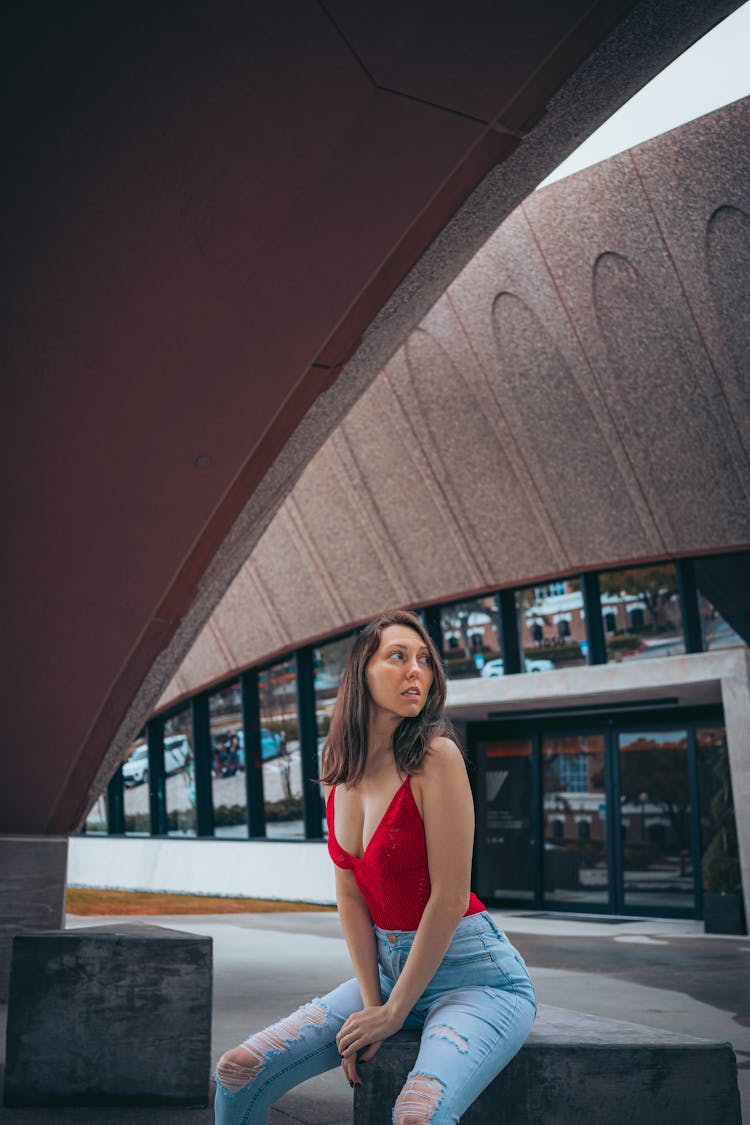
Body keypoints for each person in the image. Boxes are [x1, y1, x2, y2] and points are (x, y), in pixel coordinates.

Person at [214, 609, 536, 1124]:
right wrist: (373, 1005)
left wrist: (394, 1012)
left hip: (475, 978)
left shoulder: (437, 757)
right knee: (237, 1071)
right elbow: (349, 894)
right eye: (398, 657)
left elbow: (451, 897)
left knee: (416, 1115)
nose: (417, 671)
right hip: (387, 974)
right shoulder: (339, 770)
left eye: (425, 660)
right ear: (361, 673)